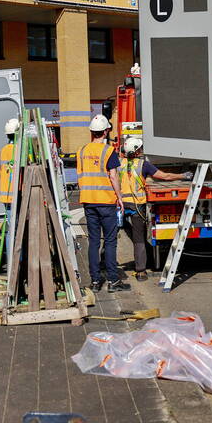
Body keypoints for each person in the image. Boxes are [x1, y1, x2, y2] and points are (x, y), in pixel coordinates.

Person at [119, 137, 192, 281]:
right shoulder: (143, 165)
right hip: (137, 206)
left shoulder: (119, 164)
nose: (141, 150)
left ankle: (105, 264)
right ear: (136, 150)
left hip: (121, 204)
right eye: (139, 148)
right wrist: (183, 176)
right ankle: (140, 272)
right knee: (138, 239)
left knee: (110, 238)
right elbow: (164, 176)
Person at [78, 115, 128, 293]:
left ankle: (95, 281)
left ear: (92, 132)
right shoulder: (108, 151)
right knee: (110, 241)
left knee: (93, 241)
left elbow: (81, 175)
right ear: (106, 131)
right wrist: (120, 197)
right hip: (106, 201)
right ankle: (113, 281)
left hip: (88, 201)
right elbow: (113, 176)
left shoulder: (82, 151)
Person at [0, 118, 19, 208]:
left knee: (11, 220)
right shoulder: (18, 149)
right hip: (16, 193)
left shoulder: (1, 151)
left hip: (5, 193)